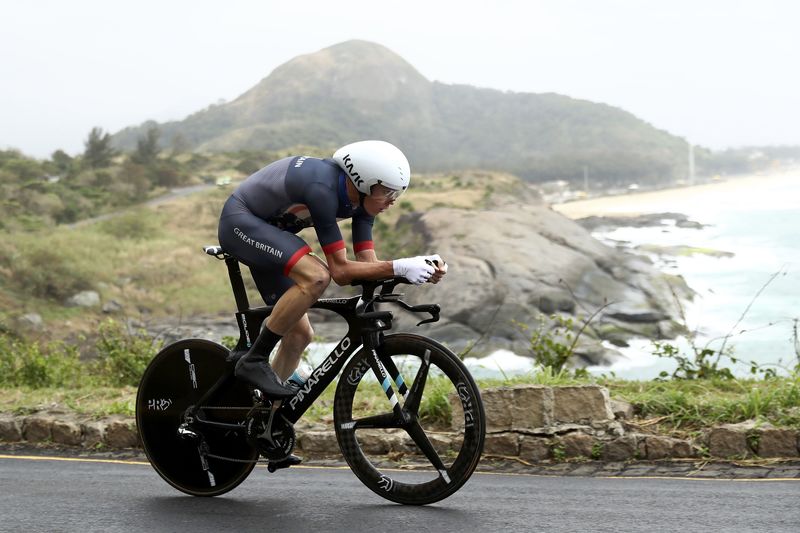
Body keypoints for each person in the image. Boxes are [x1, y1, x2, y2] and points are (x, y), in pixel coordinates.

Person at [217, 140, 447, 400]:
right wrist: (401, 266)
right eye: (387, 192)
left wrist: (414, 270)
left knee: (300, 335)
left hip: (272, 236)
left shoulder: (364, 203)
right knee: (317, 276)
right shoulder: (322, 188)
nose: (391, 201)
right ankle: (254, 360)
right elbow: (340, 271)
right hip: (240, 223)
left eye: (397, 194)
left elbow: (367, 265)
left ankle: (262, 420)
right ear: (362, 181)